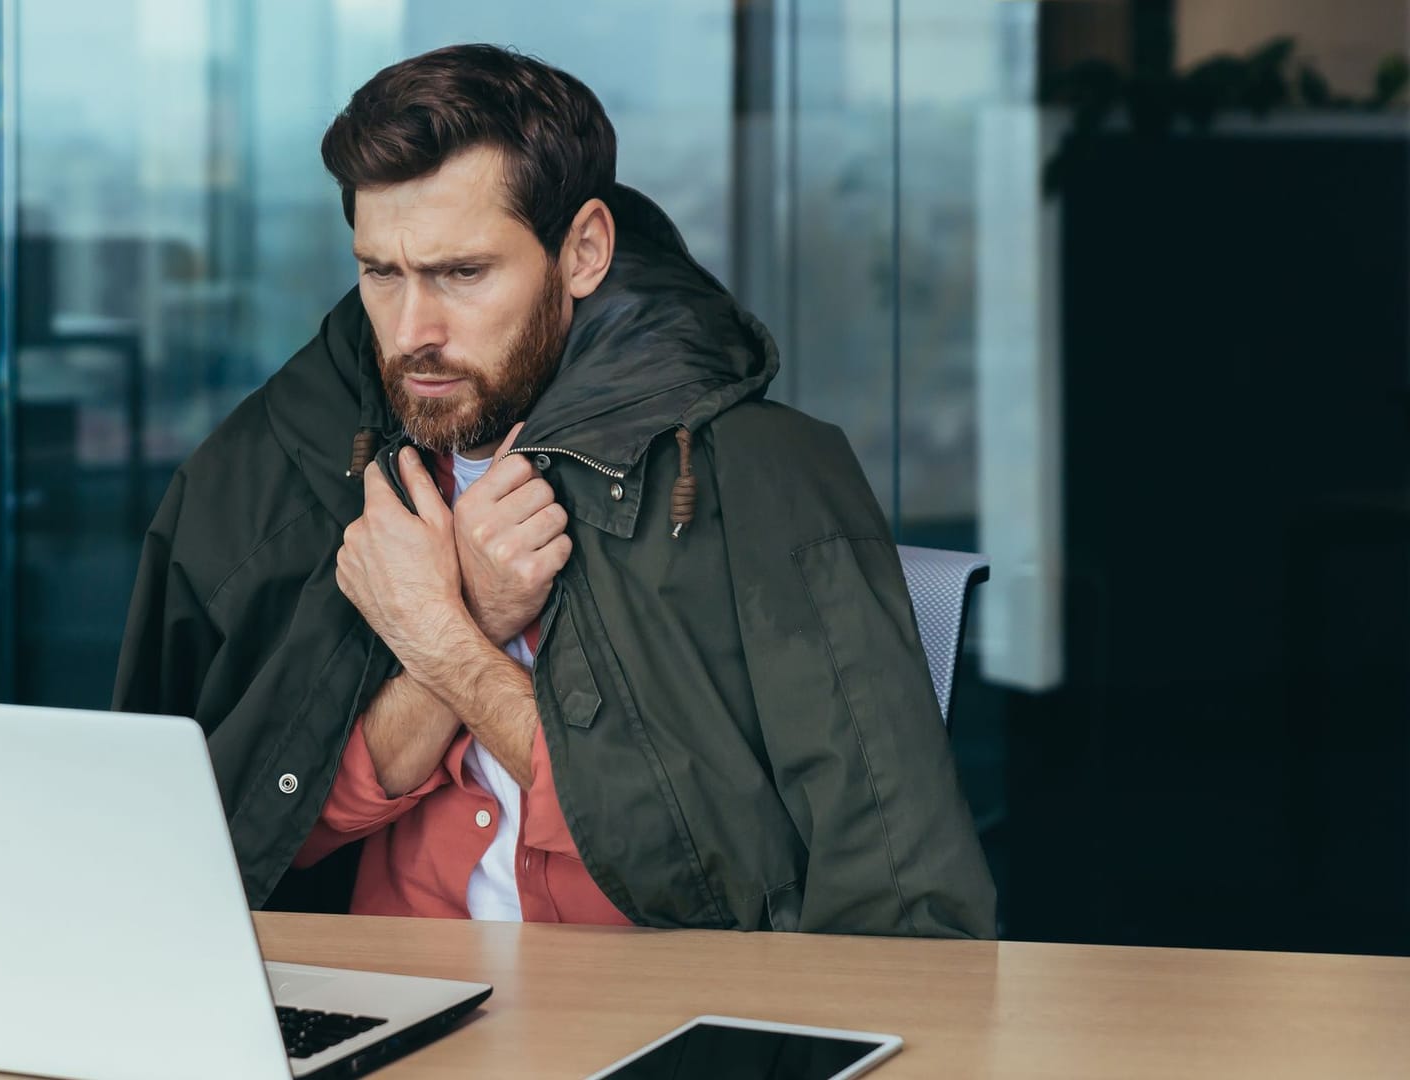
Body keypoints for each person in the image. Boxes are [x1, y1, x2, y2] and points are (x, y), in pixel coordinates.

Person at [114, 44, 996, 936]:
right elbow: (222, 850)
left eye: (463, 274)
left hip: (651, 1031)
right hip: (376, 1011)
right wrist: (461, 627)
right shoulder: (277, 469)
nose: (413, 330)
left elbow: (803, 893)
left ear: (583, 252)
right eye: (381, 272)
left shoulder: (766, 474)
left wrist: (446, 638)